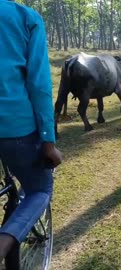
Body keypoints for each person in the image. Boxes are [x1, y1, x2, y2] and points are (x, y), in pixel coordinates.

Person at [0, 0, 62, 259]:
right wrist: (48, 141)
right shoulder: (25, 17)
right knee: (40, 189)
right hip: (15, 127)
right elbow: (39, 84)